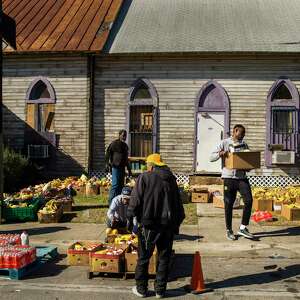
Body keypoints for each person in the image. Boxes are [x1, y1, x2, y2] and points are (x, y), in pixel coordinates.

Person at [127, 153, 185, 298]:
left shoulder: (144, 177)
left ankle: (141, 289)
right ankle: (160, 290)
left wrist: (130, 217)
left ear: (151, 165)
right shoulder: (171, 179)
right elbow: (178, 204)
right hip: (167, 226)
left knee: (144, 258)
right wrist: (176, 223)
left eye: (147, 164)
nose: (147, 167)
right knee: (164, 258)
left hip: (149, 225)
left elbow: (135, 200)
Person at [210, 124, 254, 241]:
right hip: (229, 178)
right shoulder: (224, 143)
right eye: (241, 134)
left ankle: (243, 228)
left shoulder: (244, 144)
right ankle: (229, 230)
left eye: (244, 134)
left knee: (249, 201)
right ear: (235, 131)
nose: (243, 136)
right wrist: (220, 154)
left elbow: (247, 160)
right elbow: (211, 157)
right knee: (229, 204)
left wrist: (248, 166)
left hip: (241, 178)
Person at [105, 129, 132, 205]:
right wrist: (107, 164)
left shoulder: (125, 146)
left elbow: (126, 159)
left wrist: (129, 169)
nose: (124, 137)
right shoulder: (114, 144)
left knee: (121, 185)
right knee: (115, 185)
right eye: (123, 135)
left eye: (125, 136)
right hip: (115, 167)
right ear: (119, 135)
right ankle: (111, 203)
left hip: (122, 168)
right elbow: (108, 154)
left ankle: (118, 202)